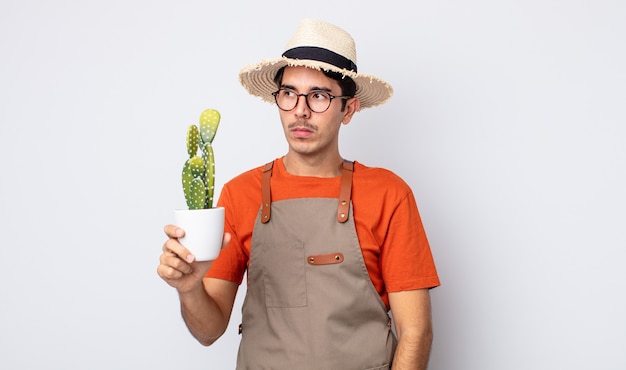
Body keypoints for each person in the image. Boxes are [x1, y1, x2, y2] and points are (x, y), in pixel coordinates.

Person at [157, 19, 440, 370]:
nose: (300, 110)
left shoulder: (388, 194)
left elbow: (416, 331)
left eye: (319, 96)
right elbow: (209, 330)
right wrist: (188, 288)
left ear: (348, 108)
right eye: (289, 93)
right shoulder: (240, 194)